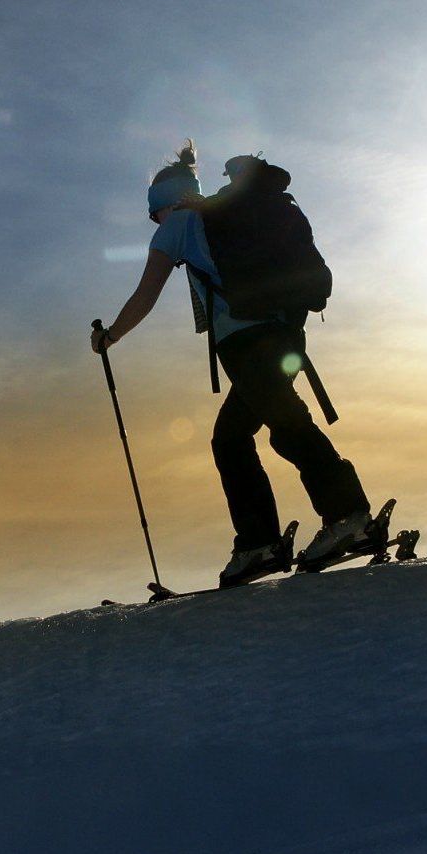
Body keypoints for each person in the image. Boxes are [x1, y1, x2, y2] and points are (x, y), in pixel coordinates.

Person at [91, 145, 371, 585]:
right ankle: (267, 539)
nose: (154, 223)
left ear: (159, 204)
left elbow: (145, 296)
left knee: (282, 426)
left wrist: (110, 336)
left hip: (245, 342)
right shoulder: (219, 215)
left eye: (152, 214)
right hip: (285, 333)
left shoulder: (178, 225)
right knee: (235, 436)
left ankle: (344, 518)